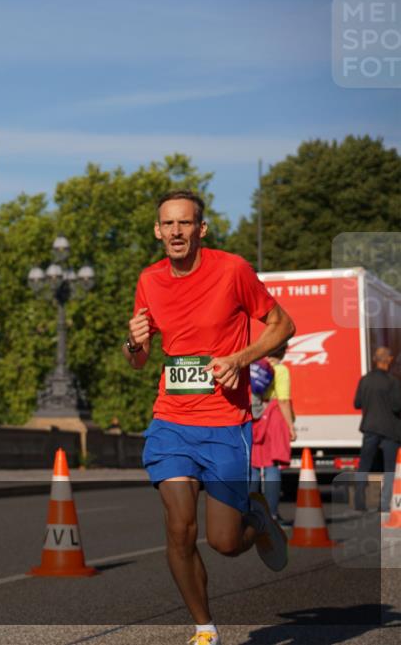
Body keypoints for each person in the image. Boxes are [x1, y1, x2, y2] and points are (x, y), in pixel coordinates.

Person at [124, 190, 295, 645]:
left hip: (225, 422)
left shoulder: (233, 270)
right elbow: (139, 361)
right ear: (158, 231)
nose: (175, 232)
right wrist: (133, 343)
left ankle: (255, 520)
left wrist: (242, 357)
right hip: (171, 422)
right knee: (179, 527)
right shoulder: (149, 280)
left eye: (185, 223)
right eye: (167, 224)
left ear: (201, 229)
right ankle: (204, 628)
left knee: (223, 541)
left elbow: (283, 325)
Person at [249, 345, 296, 523]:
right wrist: (291, 426)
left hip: (256, 417)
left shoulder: (254, 366)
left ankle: (251, 512)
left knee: (253, 467)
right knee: (272, 467)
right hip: (274, 417)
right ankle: (272, 514)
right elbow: (283, 400)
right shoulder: (281, 370)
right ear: (283, 352)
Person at [353, 346, 401, 512]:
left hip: (369, 428)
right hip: (390, 431)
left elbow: (357, 403)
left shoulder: (365, 380)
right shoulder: (393, 381)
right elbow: (397, 406)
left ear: (375, 360)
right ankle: (384, 503)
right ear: (388, 360)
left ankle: (359, 501)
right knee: (389, 469)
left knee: (364, 465)